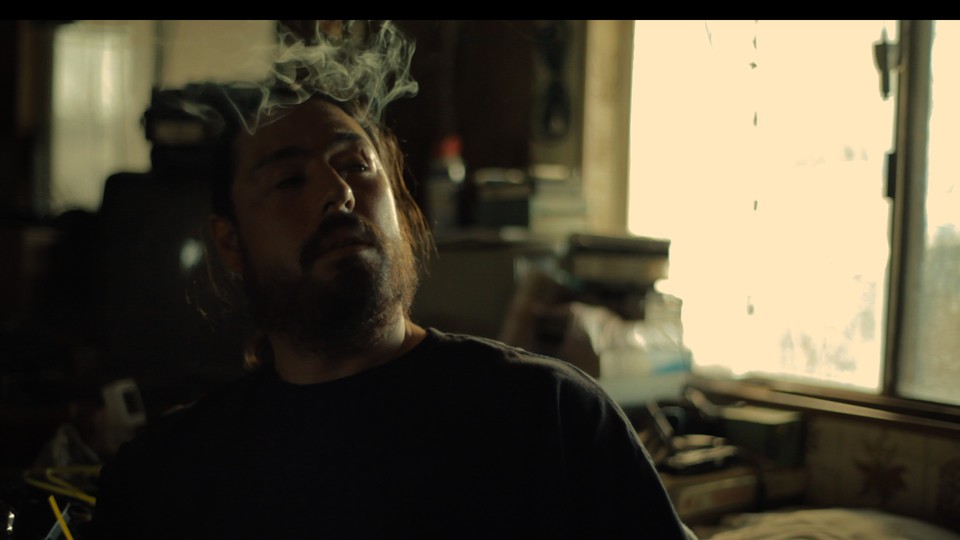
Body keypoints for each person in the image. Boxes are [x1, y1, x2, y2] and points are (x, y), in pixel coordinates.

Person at [89, 21, 697, 539]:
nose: (338, 192)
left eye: (357, 165)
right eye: (289, 180)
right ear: (230, 242)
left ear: (400, 206)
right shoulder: (166, 477)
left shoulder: (551, 418)